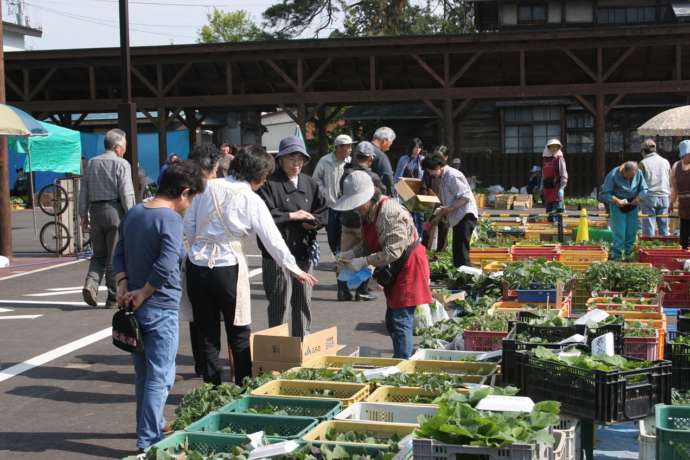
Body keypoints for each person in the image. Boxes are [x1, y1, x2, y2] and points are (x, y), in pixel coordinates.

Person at [184, 144, 317, 385]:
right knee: (239, 329)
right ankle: (243, 385)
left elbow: (189, 226)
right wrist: (294, 269)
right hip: (228, 265)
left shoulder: (205, 187)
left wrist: (197, 249)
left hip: (197, 264)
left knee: (207, 330)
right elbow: (272, 238)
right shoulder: (250, 198)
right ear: (259, 175)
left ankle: (212, 386)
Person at [112, 160, 206, 452]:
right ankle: (149, 440)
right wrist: (145, 291)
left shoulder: (136, 212)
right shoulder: (171, 219)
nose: (189, 205)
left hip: (133, 307)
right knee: (161, 376)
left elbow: (119, 253)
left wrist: (123, 285)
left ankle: (148, 426)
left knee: (143, 374)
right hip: (159, 305)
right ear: (184, 192)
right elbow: (166, 264)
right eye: (191, 198)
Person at [334, 171, 432, 359]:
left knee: (401, 318)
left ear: (370, 197)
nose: (355, 208)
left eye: (357, 203)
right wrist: (351, 254)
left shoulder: (389, 212)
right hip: (395, 267)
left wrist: (363, 262)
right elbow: (368, 243)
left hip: (409, 266)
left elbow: (392, 252)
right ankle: (400, 358)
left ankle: (403, 365)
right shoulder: (369, 212)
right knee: (392, 319)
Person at [258, 135, 328, 338]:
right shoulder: (269, 183)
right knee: (279, 303)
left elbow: (323, 211)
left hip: (303, 251)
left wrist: (314, 221)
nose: (296, 163)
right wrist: (291, 215)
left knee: (303, 301)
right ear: (280, 160)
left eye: (300, 159)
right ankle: (278, 348)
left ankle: (302, 343)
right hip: (276, 254)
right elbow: (262, 216)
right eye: (291, 158)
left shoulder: (310, 183)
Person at [79, 128, 136, 308]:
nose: (124, 150)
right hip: (114, 211)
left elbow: (83, 192)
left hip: (95, 212)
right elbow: (126, 193)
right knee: (113, 256)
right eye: (124, 146)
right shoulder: (121, 164)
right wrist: (132, 215)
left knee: (99, 255)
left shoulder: (91, 164)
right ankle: (112, 297)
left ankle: (91, 284)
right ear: (118, 147)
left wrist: (83, 215)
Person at [184, 144, 221, 378]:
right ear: (214, 166)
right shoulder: (220, 188)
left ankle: (202, 364)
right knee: (224, 315)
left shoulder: (183, 186)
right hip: (218, 257)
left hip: (189, 255)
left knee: (196, 314)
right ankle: (212, 366)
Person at [337, 141, 383, 302]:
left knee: (345, 256)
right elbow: (380, 197)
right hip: (365, 223)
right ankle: (361, 289)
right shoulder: (373, 177)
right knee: (367, 257)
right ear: (370, 158)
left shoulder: (346, 174)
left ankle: (343, 290)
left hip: (347, 221)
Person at [422, 152, 478, 268]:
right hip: (458, 217)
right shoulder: (443, 177)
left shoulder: (452, 175)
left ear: (437, 166)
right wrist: (434, 220)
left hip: (465, 215)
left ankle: (465, 279)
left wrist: (450, 208)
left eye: (430, 171)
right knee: (457, 250)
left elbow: (465, 197)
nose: (430, 174)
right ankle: (461, 276)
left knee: (461, 250)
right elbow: (445, 205)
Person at [312, 134, 353, 255]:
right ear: (339, 148)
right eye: (348, 146)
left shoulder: (351, 162)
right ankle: (336, 255)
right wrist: (325, 193)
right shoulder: (325, 161)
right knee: (331, 235)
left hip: (347, 205)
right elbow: (315, 179)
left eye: (351, 146)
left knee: (344, 234)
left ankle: (341, 258)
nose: (350, 149)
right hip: (330, 205)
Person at [600, 161, 648, 261]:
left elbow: (644, 189)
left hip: (633, 203)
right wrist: (616, 200)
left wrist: (639, 198)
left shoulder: (638, 173)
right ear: (623, 171)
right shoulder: (613, 174)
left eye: (632, 177)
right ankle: (616, 256)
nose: (629, 179)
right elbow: (604, 193)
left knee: (632, 232)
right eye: (628, 177)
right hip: (618, 204)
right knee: (619, 233)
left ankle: (628, 256)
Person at [639, 139, 671, 237]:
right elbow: (670, 179)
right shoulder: (665, 162)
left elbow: (639, 182)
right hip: (665, 196)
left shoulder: (643, 163)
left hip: (649, 196)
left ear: (643, 151)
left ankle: (650, 248)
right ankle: (666, 248)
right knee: (664, 227)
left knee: (649, 228)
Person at [421, 145, 450, 251]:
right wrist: (425, 196)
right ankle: (423, 249)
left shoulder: (449, 173)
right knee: (427, 225)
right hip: (431, 200)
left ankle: (441, 251)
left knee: (443, 226)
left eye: (440, 157)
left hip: (445, 203)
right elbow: (424, 183)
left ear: (446, 158)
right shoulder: (430, 168)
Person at [395, 137, 425, 236]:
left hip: (418, 188)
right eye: (415, 147)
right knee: (407, 214)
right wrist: (396, 189)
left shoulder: (422, 159)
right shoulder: (404, 159)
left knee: (420, 215)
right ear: (411, 148)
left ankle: (419, 236)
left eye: (419, 147)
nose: (417, 150)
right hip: (404, 188)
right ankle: (407, 236)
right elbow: (397, 176)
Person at [541, 139, 568, 222]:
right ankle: (550, 231)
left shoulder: (559, 159)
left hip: (556, 188)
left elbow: (563, 173)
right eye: (552, 147)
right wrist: (541, 187)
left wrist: (562, 187)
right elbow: (543, 174)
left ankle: (558, 231)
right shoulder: (545, 160)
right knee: (549, 211)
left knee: (556, 211)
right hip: (547, 188)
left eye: (556, 147)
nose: (554, 148)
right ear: (548, 148)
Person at [670, 140, 690, 248]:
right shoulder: (676, 167)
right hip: (683, 204)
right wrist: (671, 202)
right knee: (684, 228)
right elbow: (674, 187)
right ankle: (684, 250)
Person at [369, 127, 396, 196]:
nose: (388, 148)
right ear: (385, 141)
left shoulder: (359, 150)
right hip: (374, 198)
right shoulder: (381, 156)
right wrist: (391, 195)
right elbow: (388, 178)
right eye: (390, 143)